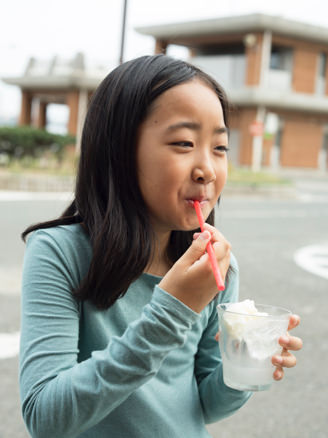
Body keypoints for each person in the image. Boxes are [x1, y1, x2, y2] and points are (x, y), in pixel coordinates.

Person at [19, 54, 302, 438]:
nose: (207, 169)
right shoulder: (59, 252)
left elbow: (204, 403)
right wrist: (172, 311)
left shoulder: (215, 266)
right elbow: (45, 417)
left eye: (220, 148)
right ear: (119, 150)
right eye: (184, 143)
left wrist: (243, 367)